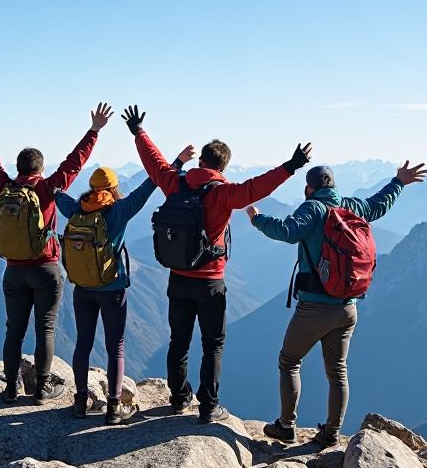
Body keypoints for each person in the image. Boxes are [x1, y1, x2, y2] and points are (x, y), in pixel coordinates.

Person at [122, 103, 313, 424]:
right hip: (210, 282)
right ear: (223, 166)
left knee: (178, 341)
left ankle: (179, 399)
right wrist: (291, 166)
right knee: (212, 345)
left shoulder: (175, 182)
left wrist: (139, 132)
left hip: (178, 277)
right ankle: (208, 407)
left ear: (200, 161)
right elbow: (258, 186)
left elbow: (154, 163)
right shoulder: (224, 192)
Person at [245, 160, 427, 447]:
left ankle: (286, 426)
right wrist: (398, 182)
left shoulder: (312, 208)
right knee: (338, 372)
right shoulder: (351, 206)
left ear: (309, 189)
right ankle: (331, 433)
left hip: (315, 307)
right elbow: (378, 205)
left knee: (289, 362)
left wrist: (258, 219)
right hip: (347, 307)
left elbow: (288, 231)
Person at [0, 97, 113, 404]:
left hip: (13, 272)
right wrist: (94, 130)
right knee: (45, 328)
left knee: (14, 330)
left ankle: (10, 387)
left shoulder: (3, 187)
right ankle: (42, 388)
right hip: (45, 269)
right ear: (41, 170)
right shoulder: (46, 188)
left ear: (18, 168)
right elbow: (74, 162)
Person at [55, 143, 196, 425]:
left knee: (83, 343)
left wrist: (53, 186)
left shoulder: (76, 209)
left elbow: (57, 194)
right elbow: (150, 184)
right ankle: (113, 407)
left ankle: (80, 401)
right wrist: (178, 162)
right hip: (112, 288)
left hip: (82, 288)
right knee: (115, 347)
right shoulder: (120, 210)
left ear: (92, 187)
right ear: (113, 188)